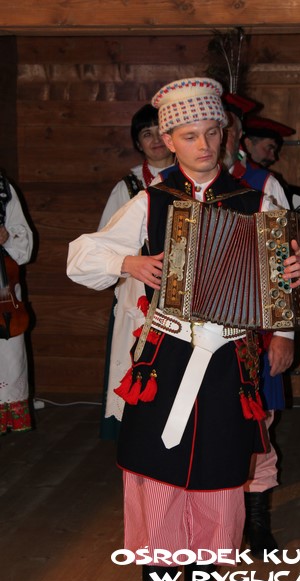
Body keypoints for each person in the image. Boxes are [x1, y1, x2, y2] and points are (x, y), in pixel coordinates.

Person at [67, 77, 300, 581]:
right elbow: (82, 256)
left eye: (212, 132)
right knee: (157, 474)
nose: (204, 145)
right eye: (190, 136)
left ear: (224, 132)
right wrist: (128, 262)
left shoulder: (255, 200)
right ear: (169, 141)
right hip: (164, 362)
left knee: (217, 478)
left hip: (228, 366)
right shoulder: (150, 202)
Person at [222, 93, 299, 558]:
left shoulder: (262, 183)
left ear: (238, 135)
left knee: (258, 427)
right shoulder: (172, 185)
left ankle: (257, 522)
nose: (217, 138)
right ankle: (217, 522)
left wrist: (284, 333)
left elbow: (285, 260)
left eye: (226, 128)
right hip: (197, 338)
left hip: (255, 329)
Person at [98, 104, 174, 440]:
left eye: (160, 132)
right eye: (146, 134)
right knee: (133, 356)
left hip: (182, 290)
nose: (155, 139)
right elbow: (105, 242)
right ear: (137, 142)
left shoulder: (188, 180)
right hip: (137, 290)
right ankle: (134, 432)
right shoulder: (128, 187)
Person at [0, 171, 34, 435]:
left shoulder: (2, 188)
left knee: (8, 355)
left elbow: (24, 245)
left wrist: (7, 236)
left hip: (2, 294)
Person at [242, 115, 300, 211]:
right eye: (269, 148)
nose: (273, 157)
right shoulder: (266, 181)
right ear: (248, 144)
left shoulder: (271, 181)